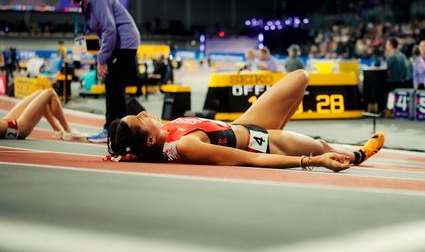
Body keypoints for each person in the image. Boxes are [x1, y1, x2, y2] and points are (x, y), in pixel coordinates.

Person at [107, 70, 385, 172]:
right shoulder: (185, 146)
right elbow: (250, 160)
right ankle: (356, 155)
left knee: (299, 78)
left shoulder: (158, 134)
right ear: (152, 138)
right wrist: (310, 161)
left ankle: (288, 132)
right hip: (262, 144)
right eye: (142, 119)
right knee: (321, 145)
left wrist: (122, 151)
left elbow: (127, 147)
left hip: (243, 123)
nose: (145, 113)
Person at [61, 0, 141, 143]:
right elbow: (103, 31)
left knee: (112, 85)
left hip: (124, 43)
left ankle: (111, 130)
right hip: (120, 44)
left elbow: (110, 29)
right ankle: (119, 131)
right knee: (114, 86)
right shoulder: (87, 1)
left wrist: (102, 59)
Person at [1, 89, 86, 140]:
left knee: (40, 93)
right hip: (17, 128)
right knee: (50, 93)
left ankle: (58, 130)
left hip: (7, 123)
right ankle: (68, 131)